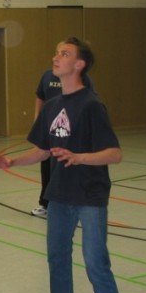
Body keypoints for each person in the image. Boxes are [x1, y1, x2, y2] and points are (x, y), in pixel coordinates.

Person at [0, 38, 132, 293]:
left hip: (90, 196)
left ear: (79, 65)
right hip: (60, 195)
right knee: (56, 256)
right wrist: (11, 161)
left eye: (64, 54)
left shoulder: (92, 105)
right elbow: (42, 150)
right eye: (56, 52)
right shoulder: (52, 106)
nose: (56, 57)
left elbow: (115, 154)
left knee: (96, 265)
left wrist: (79, 158)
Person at [31, 69, 95, 218]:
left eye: (63, 56)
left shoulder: (83, 78)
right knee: (47, 166)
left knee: (68, 167)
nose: (56, 58)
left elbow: (89, 101)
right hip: (51, 129)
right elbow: (40, 96)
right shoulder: (46, 76)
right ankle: (45, 204)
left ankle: (76, 203)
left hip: (71, 131)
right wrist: (37, 118)